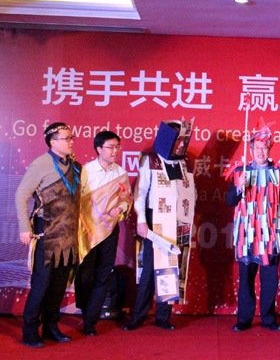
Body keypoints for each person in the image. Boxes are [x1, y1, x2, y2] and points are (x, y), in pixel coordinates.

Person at [123, 118, 196, 331]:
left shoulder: (184, 162)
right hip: (155, 218)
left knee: (172, 267)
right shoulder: (150, 160)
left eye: (183, 141)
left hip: (178, 219)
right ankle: (138, 315)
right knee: (149, 270)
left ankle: (163, 316)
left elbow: (189, 191)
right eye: (177, 141)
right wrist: (141, 221)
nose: (181, 145)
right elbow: (140, 192)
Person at [226, 117, 280, 332]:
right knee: (246, 278)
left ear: (269, 149)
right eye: (256, 147)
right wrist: (239, 187)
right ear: (251, 149)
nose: (260, 151)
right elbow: (230, 201)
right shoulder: (240, 172)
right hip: (247, 233)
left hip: (271, 233)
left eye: (264, 147)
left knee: (269, 278)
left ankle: (268, 318)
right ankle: (244, 319)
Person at [15, 122, 81, 348]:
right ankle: (30, 331)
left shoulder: (74, 166)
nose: (71, 142)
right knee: (42, 285)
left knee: (59, 285)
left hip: (68, 234)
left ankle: (51, 326)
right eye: (66, 138)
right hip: (47, 231)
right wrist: (25, 227)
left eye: (71, 138)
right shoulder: (41, 164)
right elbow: (21, 195)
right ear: (53, 142)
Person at [75, 131, 132, 336]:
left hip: (109, 230)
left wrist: (120, 208)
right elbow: (76, 201)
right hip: (87, 230)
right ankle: (85, 309)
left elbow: (126, 199)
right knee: (85, 275)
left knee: (103, 274)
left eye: (117, 146)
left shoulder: (120, 173)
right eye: (110, 147)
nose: (115, 151)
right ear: (98, 149)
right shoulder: (85, 171)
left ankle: (90, 321)